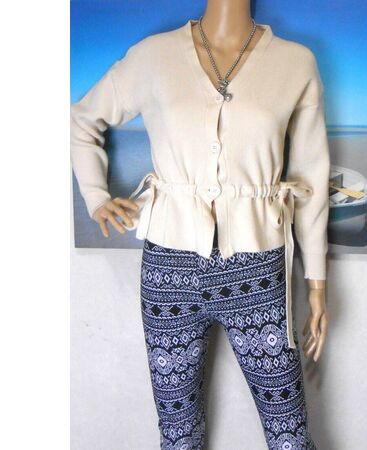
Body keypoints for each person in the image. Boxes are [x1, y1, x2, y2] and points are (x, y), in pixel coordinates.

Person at [70, 7, 330, 450]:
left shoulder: (296, 62)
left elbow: (311, 176)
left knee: (289, 434)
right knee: (177, 435)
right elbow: (82, 119)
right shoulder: (153, 56)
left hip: (258, 268)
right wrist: (96, 197)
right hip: (167, 271)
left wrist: (317, 283)